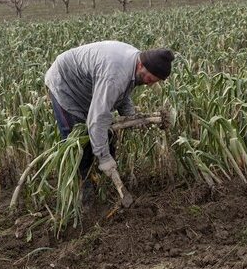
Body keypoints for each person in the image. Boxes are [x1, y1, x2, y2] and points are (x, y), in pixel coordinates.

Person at [45, 40, 175, 208]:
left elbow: (124, 90)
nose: (150, 84)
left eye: (155, 81)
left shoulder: (135, 62)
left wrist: (130, 116)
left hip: (89, 89)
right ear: (141, 65)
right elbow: (97, 119)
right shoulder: (115, 74)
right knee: (78, 147)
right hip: (66, 87)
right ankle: (83, 195)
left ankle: (103, 183)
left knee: (107, 136)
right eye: (151, 78)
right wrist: (104, 158)